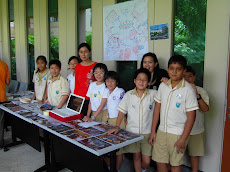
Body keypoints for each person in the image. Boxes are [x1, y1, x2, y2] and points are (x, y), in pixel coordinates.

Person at [149, 55, 199, 172]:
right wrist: (153, 131)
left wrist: (183, 139)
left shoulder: (188, 90)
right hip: (161, 131)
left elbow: (191, 117)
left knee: (175, 164)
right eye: (171, 68)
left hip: (178, 133)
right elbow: (157, 109)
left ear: (183, 71)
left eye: (178, 69)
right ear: (168, 69)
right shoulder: (163, 86)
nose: (174, 72)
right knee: (160, 161)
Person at [107, 68, 157, 172]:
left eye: (144, 80)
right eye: (139, 79)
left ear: (148, 82)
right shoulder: (128, 95)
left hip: (147, 133)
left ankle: (143, 170)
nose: (141, 82)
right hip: (132, 133)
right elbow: (121, 112)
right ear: (134, 80)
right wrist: (117, 126)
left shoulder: (153, 94)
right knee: (136, 156)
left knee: (147, 160)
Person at [183, 66, 209, 172]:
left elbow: (205, 109)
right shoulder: (177, 91)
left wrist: (197, 95)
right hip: (180, 129)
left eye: (190, 76)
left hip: (197, 129)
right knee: (176, 156)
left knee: (195, 155)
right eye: (184, 76)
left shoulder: (201, 90)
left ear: (194, 77)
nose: (187, 79)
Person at [105, 71, 126, 171]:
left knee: (119, 148)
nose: (110, 83)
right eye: (108, 81)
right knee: (111, 146)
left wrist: (126, 120)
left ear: (117, 82)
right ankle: (111, 167)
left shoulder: (120, 91)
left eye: (112, 81)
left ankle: (116, 169)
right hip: (110, 120)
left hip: (119, 120)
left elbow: (125, 106)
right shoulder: (107, 92)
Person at [74, 43, 97, 116]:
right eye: (81, 52)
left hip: (92, 98)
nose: (83, 54)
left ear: (90, 52)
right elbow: (76, 84)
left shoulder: (95, 65)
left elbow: (98, 83)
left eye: (86, 52)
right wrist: (75, 97)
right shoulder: (77, 67)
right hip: (81, 98)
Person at [0, 59, 10, 148]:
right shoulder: (4, 65)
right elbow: (7, 82)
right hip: (1, 96)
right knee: (0, 121)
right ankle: (1, 143)